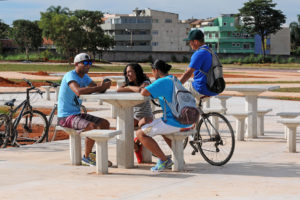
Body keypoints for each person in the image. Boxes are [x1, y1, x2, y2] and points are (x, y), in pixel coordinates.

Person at [136, 59, 193, 172]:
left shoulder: (162, 81)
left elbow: (144, 93)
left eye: (152, 71)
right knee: (161, 128)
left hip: (174, 121)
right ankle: (179, 158)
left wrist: (143, 86)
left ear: (156, 70)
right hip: (186, 119)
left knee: (140, 134)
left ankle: (164, 160)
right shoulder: (174, 79)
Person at [57, 52, 111, 166]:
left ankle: (95, 155)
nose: (88, 65)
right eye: (85, 63)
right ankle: (87, 157)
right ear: (76, 64)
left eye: (90, 62)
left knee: (104, 123)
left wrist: (104, 86)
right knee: (91, 126)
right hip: (65, 117)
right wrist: (100, 87)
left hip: (77, 113)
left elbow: (95, 88)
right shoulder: (70, 75)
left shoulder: (85, 77)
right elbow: (78, 91)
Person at [117, 63, 153, 163]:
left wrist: (129, 87)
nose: (128, 74)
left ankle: (138, 141)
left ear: (136, 72)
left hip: (146, 116)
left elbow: (142, 90)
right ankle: (136, 147)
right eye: (126, 72)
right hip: (134, 117)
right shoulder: (129, 83)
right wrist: (130, 86)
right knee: (122, 127)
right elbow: (119, 90)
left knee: (144, 125)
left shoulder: (146, 82)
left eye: (130, 72)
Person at [179, 29, 218, 98]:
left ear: (196, 42)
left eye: (190, 42)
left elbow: (188, 74)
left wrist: (176, 85)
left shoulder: (199, 53)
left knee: (178, 91)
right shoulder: (212, 52)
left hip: (202, 89)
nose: (189, 44)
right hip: (214, 89)